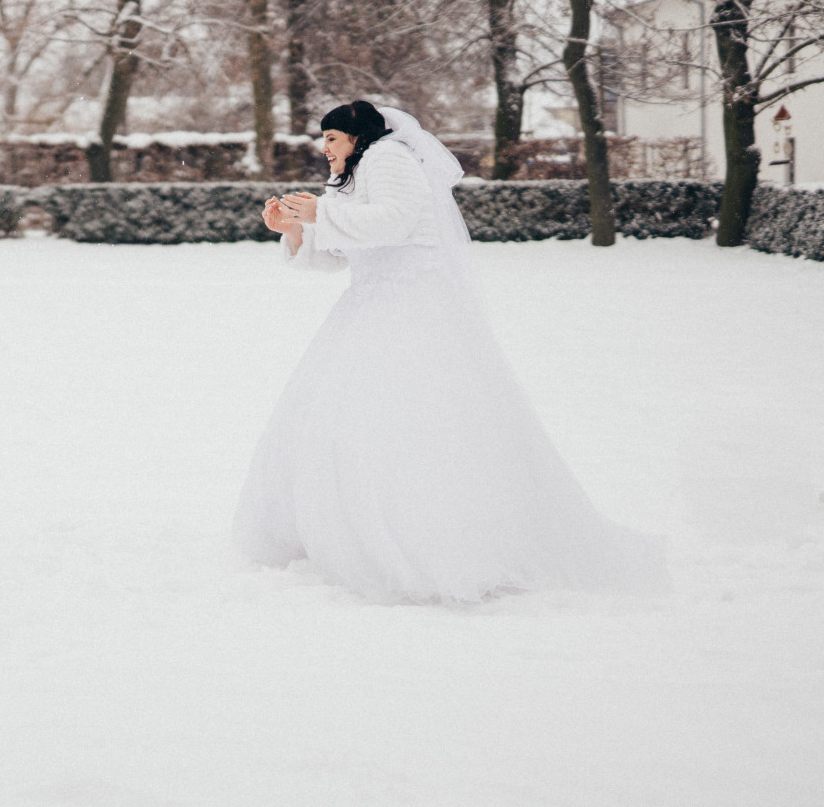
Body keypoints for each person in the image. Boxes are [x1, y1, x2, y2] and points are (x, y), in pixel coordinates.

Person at [232, 101, 666, 603]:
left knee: (413, 420)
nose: (324, 148)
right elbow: (343, 252)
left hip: (410, 307)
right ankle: (347, 536)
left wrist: (321, 213)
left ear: (357, 136)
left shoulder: (388, 157)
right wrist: (295, 230)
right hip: (369, 306)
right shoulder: (353, 175)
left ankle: (432, 543)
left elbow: (394, 221)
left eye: (331, 138)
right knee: (346, 417)